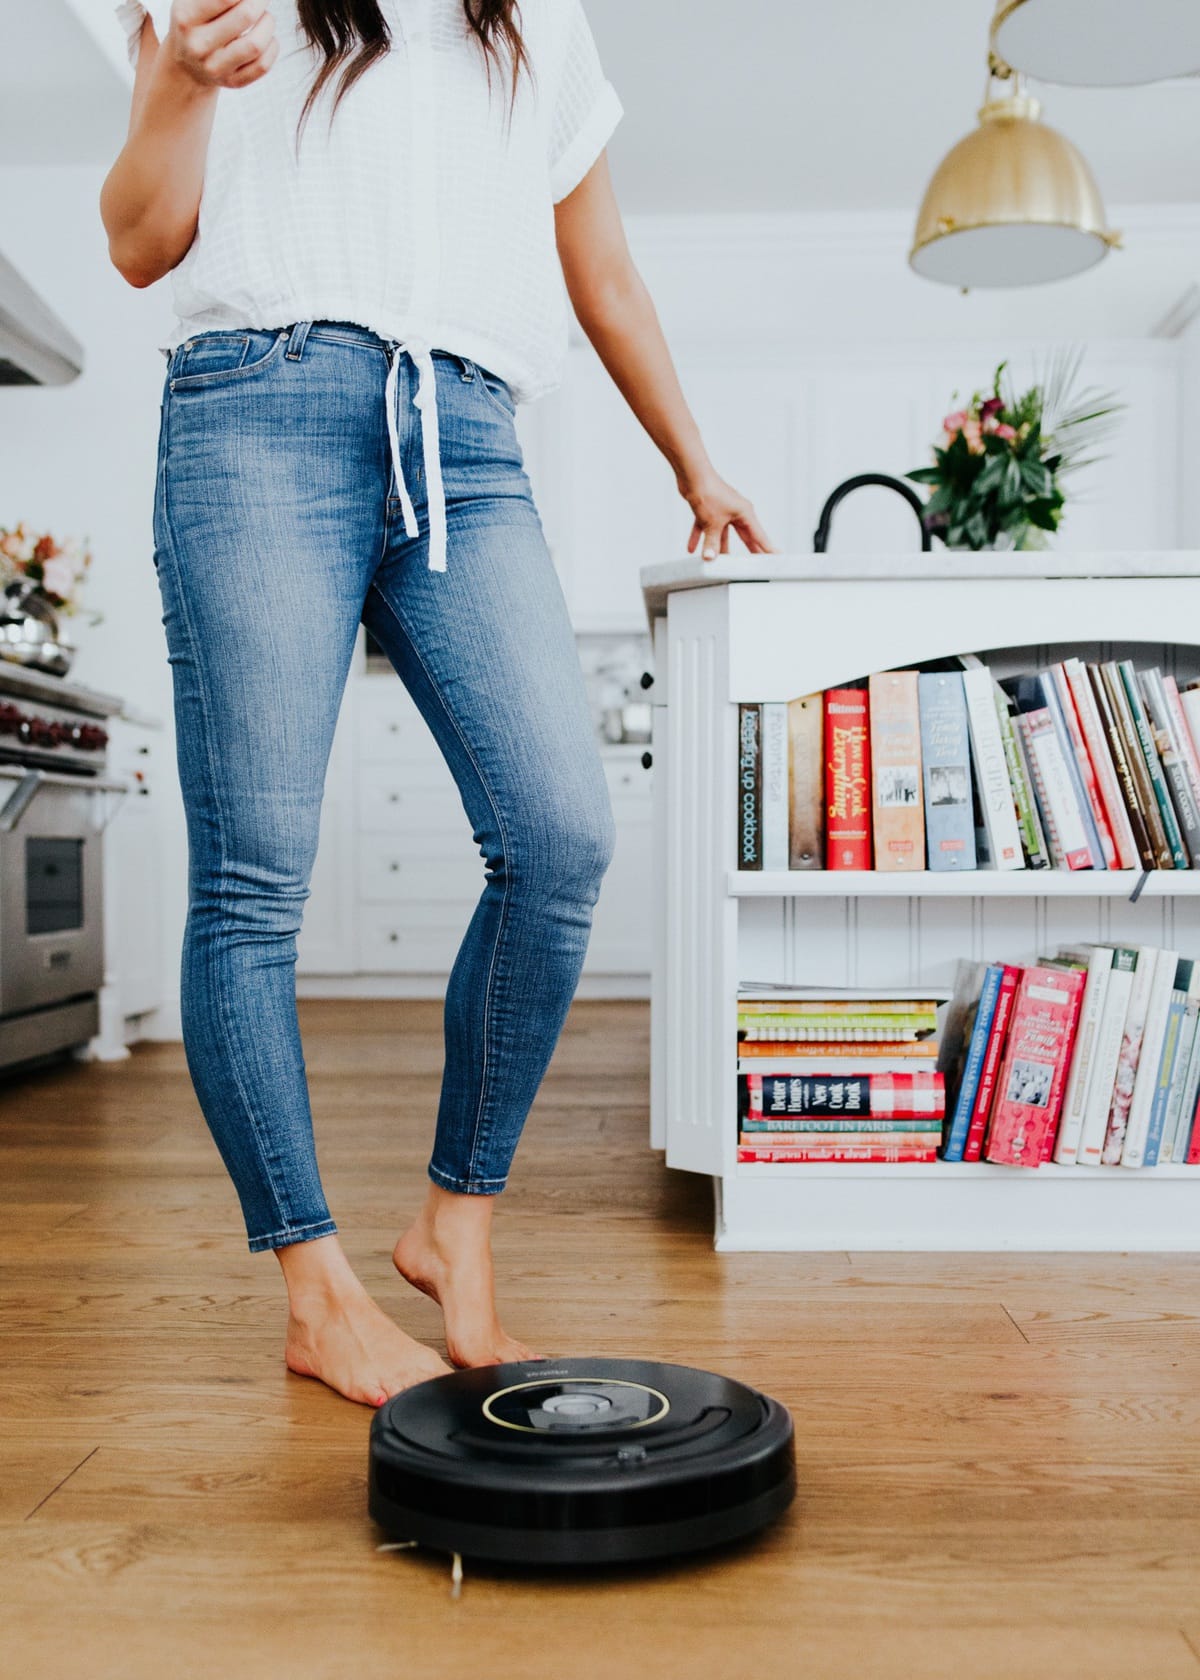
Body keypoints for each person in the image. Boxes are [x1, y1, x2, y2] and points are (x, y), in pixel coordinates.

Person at [101, 0, 773, 1409]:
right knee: (253, 885)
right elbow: (141, 238)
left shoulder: (535, 19)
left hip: (468, 431)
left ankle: (450, 1230)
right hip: (255, 405)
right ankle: (316, 1291)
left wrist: (695, 465)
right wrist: (173, 85)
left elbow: (606, 272)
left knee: (562, 836)